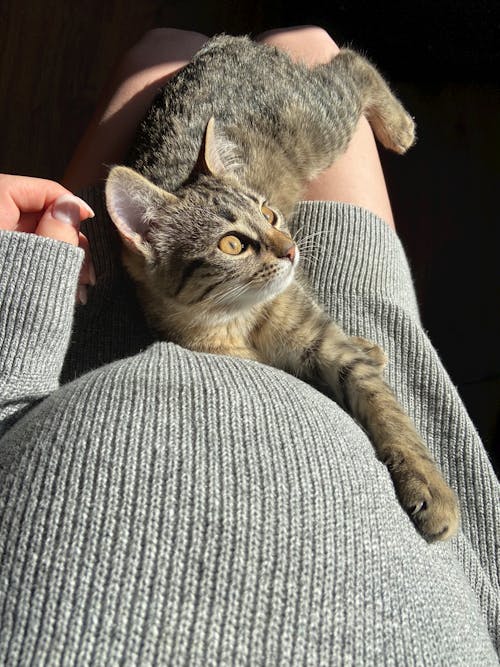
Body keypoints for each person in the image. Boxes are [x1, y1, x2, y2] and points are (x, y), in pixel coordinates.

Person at [0, 27, 498, 665]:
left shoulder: (267, 259)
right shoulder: (165, 267)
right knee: (293, 42)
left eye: (267, 221)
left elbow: (296, 280)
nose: (286, 248)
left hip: (248, 135)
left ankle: (357, 79)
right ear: (148, 243)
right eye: (238, 244)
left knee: (195, 62)